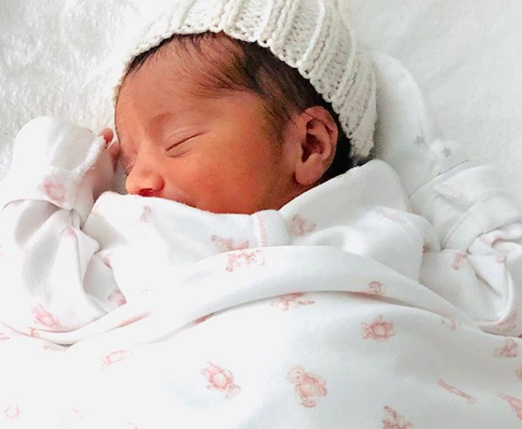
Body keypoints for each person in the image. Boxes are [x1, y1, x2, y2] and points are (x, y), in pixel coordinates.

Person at [0, 0, 521, 427]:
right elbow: (34, 290)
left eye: (177, 142)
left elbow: (507, 298)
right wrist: (53, 169)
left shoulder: (390, 232)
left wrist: (437, 173)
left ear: (310, 144)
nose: (136, 181)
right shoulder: (145, 234)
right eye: (129, 161)